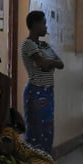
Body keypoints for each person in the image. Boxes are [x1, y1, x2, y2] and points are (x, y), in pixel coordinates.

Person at [20, 10, 64, 153]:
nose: (46, 27)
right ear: (34, 25)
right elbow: (43, 64)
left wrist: (48, 62)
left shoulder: (44, 45)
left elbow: (60, 63)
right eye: (43, 24)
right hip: (36, 90)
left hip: (48, 90)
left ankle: (46, 162)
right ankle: (35, 162)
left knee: (47, 129)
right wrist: (50, 62)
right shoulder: (28, 44)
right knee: (36, 129)